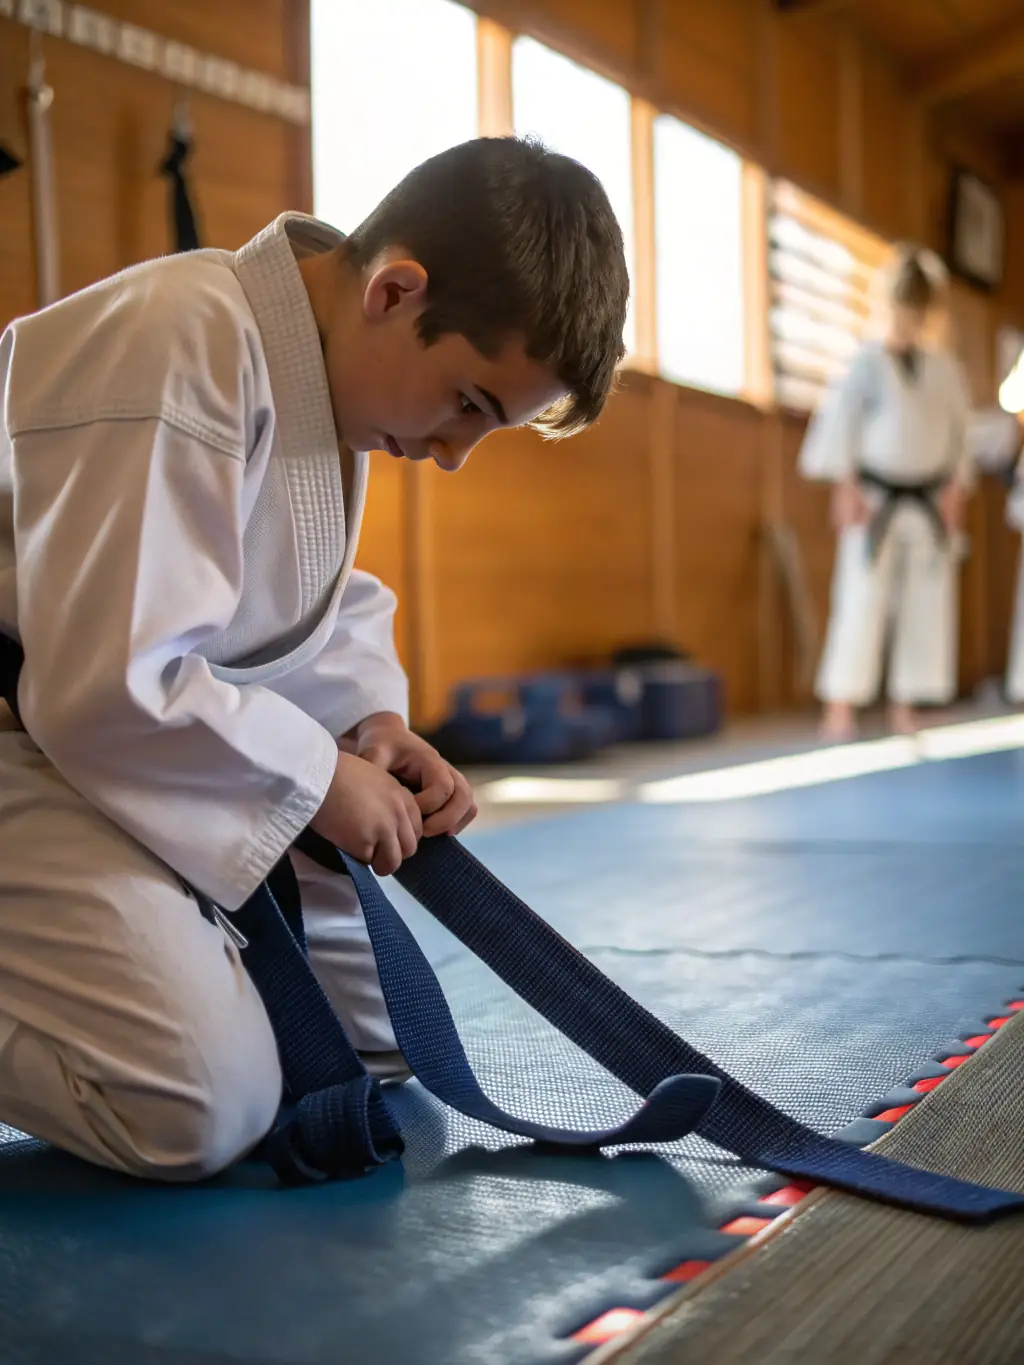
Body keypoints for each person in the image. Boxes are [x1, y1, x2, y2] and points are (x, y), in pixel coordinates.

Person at [0, 136, 629, 1179]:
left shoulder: (308, 374)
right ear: (394, 288)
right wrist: (315, 780)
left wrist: (370, 728)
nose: (453, 453)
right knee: (196, 1104)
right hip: (41, 745)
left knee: (375, 1038)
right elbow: (107, 682)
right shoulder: (179, 343)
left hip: (94, 751)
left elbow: (288, 606)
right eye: (468, 404)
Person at [799, 244, 972, 740]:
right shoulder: (865, 362)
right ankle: (841, 704)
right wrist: (844, 486)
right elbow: (840, 429)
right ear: (888, 307)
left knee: (926, 602)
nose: (911, 321)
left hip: (930, 499)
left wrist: (956, 489)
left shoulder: (945, 369)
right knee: (860, 598)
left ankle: (906, 703)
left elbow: (960, 436)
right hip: (874, 498)